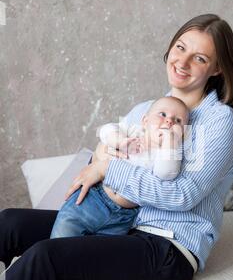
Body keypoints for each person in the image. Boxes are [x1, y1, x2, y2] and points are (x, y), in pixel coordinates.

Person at [0, 14, 233, 280]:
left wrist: (107, 167)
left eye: (199, 58)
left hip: (167, 249)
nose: (182, 62)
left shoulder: (220, 121)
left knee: (47, 256)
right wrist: (103, 161)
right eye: (180, 48)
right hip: (119, 223)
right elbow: (103, 155)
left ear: (217, 68)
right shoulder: (145, 110)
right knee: (10, 223)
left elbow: (182, 195)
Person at [50, 96, 189, 240]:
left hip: (125, 216)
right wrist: (119, 140)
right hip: (95, 197)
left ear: (182, 134)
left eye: (178, 121)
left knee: (96, 254)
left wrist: (170, 142)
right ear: (145, 121)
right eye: (163, 114)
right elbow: (106, 129)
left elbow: (166, 173)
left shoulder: (169, 154)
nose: (169, 121)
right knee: (64, 234)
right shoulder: (134, 131)